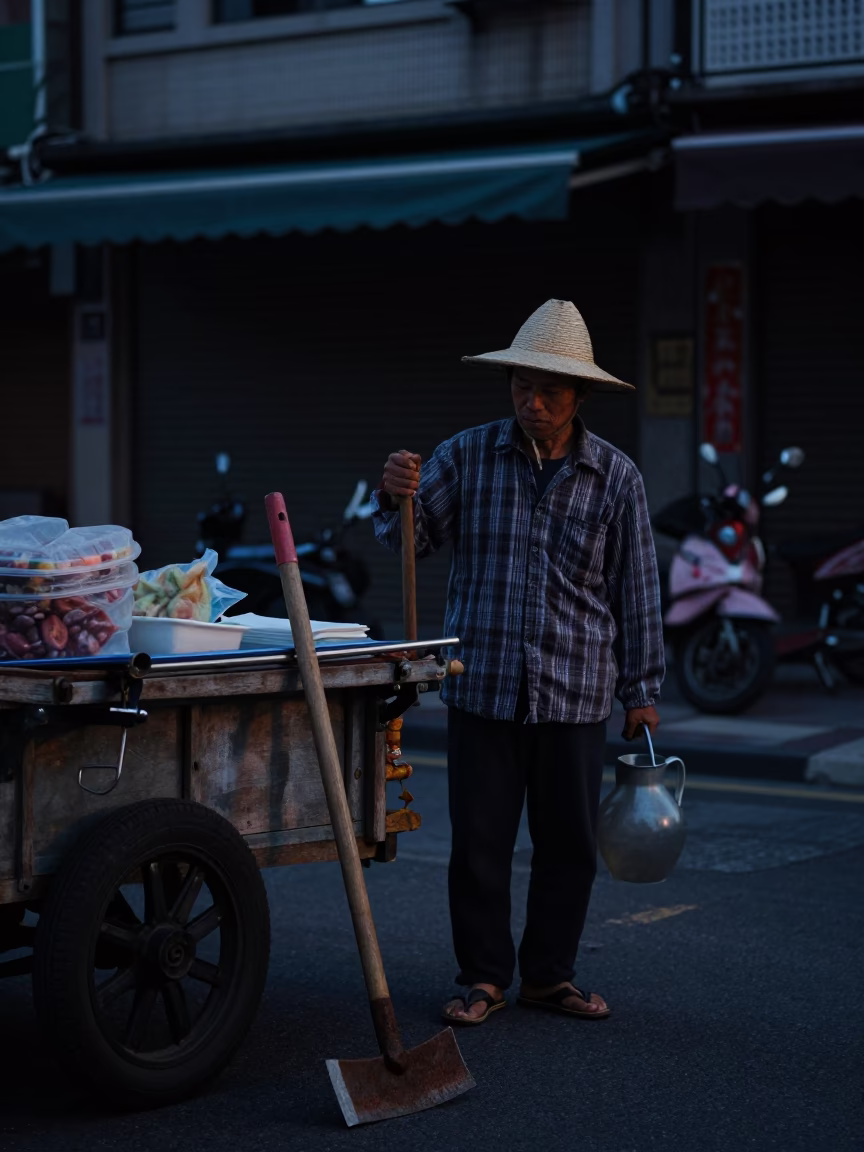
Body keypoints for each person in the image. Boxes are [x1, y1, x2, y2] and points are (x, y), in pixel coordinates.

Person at [372, 299, 664, 1025]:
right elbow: (408, 541)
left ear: (580, 397)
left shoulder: (616, 479)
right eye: (521, 387)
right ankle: (484, 977)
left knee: (567, 845)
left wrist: (643, 690)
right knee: (478, 846)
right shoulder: (466, 455)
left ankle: (549, 977)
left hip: (576, 689)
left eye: (550, 391)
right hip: (484, 686)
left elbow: (638, 588)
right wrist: (394, 496)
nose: (533, 402)